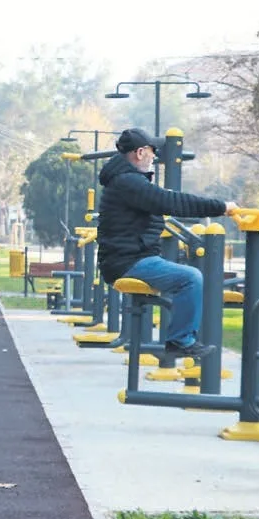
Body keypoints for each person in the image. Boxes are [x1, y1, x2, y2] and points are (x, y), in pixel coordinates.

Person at [96, 127, 237, 360]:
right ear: (140, 153)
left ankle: (181, 337)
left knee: (188, 277)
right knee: (190, 278)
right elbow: (171, 202)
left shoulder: (126, 181)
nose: (154, 157)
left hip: (128, 258)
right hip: (127, 262)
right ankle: (180, 341)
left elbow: (163, 202)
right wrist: (221, 207)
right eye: (152, 152)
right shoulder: (128, 183)